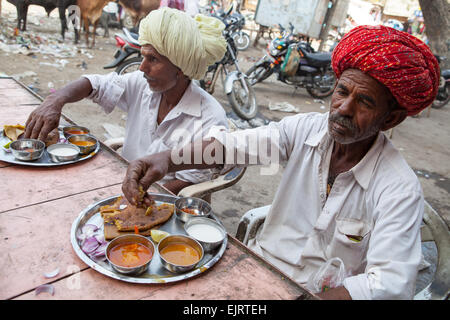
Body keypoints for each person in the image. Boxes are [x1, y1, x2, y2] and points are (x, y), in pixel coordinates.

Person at [121, 25, 440, 299]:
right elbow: (234, 146)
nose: (343, 108)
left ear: (391, 119)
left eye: (365, 102)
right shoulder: (305, 130)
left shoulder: (399, 188)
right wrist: (164, 159)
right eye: (342, 91)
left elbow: (390, 285)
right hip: (261, 268)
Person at [23, 8, 228, 195]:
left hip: (159, 200)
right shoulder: (141, 84)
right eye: (143, 57)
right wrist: (55, 100)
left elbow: (186, 184)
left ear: (181, 67)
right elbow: (95, 84)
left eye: (153, 59)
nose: (142, 68)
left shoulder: (208, 116)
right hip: (124, 186)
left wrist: (137, 197)